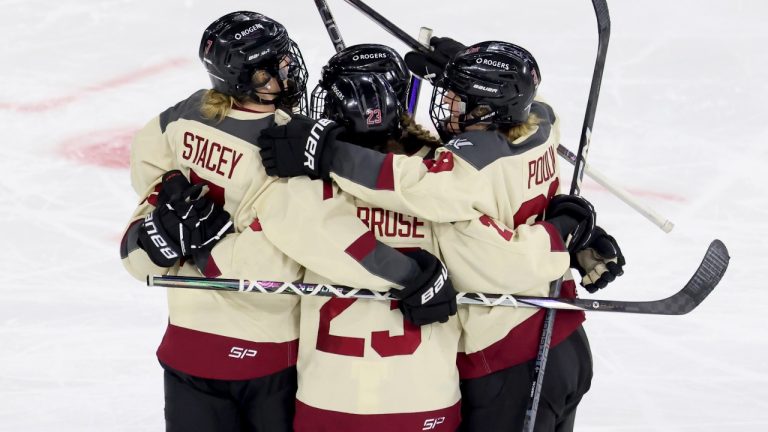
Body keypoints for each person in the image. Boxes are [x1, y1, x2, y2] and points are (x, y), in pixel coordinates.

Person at [258, 39, 626, 431]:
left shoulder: (448, 189)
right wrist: (574, 230)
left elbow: (420, 189)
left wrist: (328, 153)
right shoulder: (542, 126)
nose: (445, 106)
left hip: (511, 360)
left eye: (457, 99)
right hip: (559, 334)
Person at [120, 13, 453, 432]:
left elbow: (147, 176)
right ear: (246, 77)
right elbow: (317, 237)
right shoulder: (285, 142)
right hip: (263, 351)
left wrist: (168, 210)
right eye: (273, 67)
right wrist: (409, 274)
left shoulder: (181, 116)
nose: (288, 70)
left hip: (186, 344)